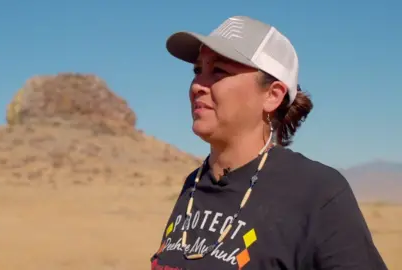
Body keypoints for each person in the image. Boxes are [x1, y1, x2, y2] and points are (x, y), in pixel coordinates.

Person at [150, 15, 388, 270]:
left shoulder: (316, 192)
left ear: (272, 95)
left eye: (218, 70)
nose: (197, 85)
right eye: (198, 70)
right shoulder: (194, 185)